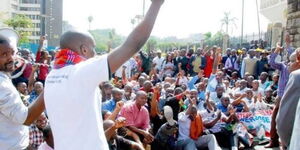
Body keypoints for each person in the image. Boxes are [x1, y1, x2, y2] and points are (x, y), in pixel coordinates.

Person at [44, 1, 165, 150]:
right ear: (84, 50)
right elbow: (133, 45)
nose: (95, 54)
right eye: (93, 49)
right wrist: (156, 5)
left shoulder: (52, 76)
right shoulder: (82, 71)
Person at [0, 28, 45, 150]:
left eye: (12, 53)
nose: (11, 58)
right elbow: (25, 118)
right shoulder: (2, 84)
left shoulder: (4, 78)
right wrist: (51, 87)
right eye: (4, 55)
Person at [276, 49, 300, 148]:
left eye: (292, 61)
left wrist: (288, 143)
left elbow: (284, 120)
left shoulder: (296, 77)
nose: (289, 64)